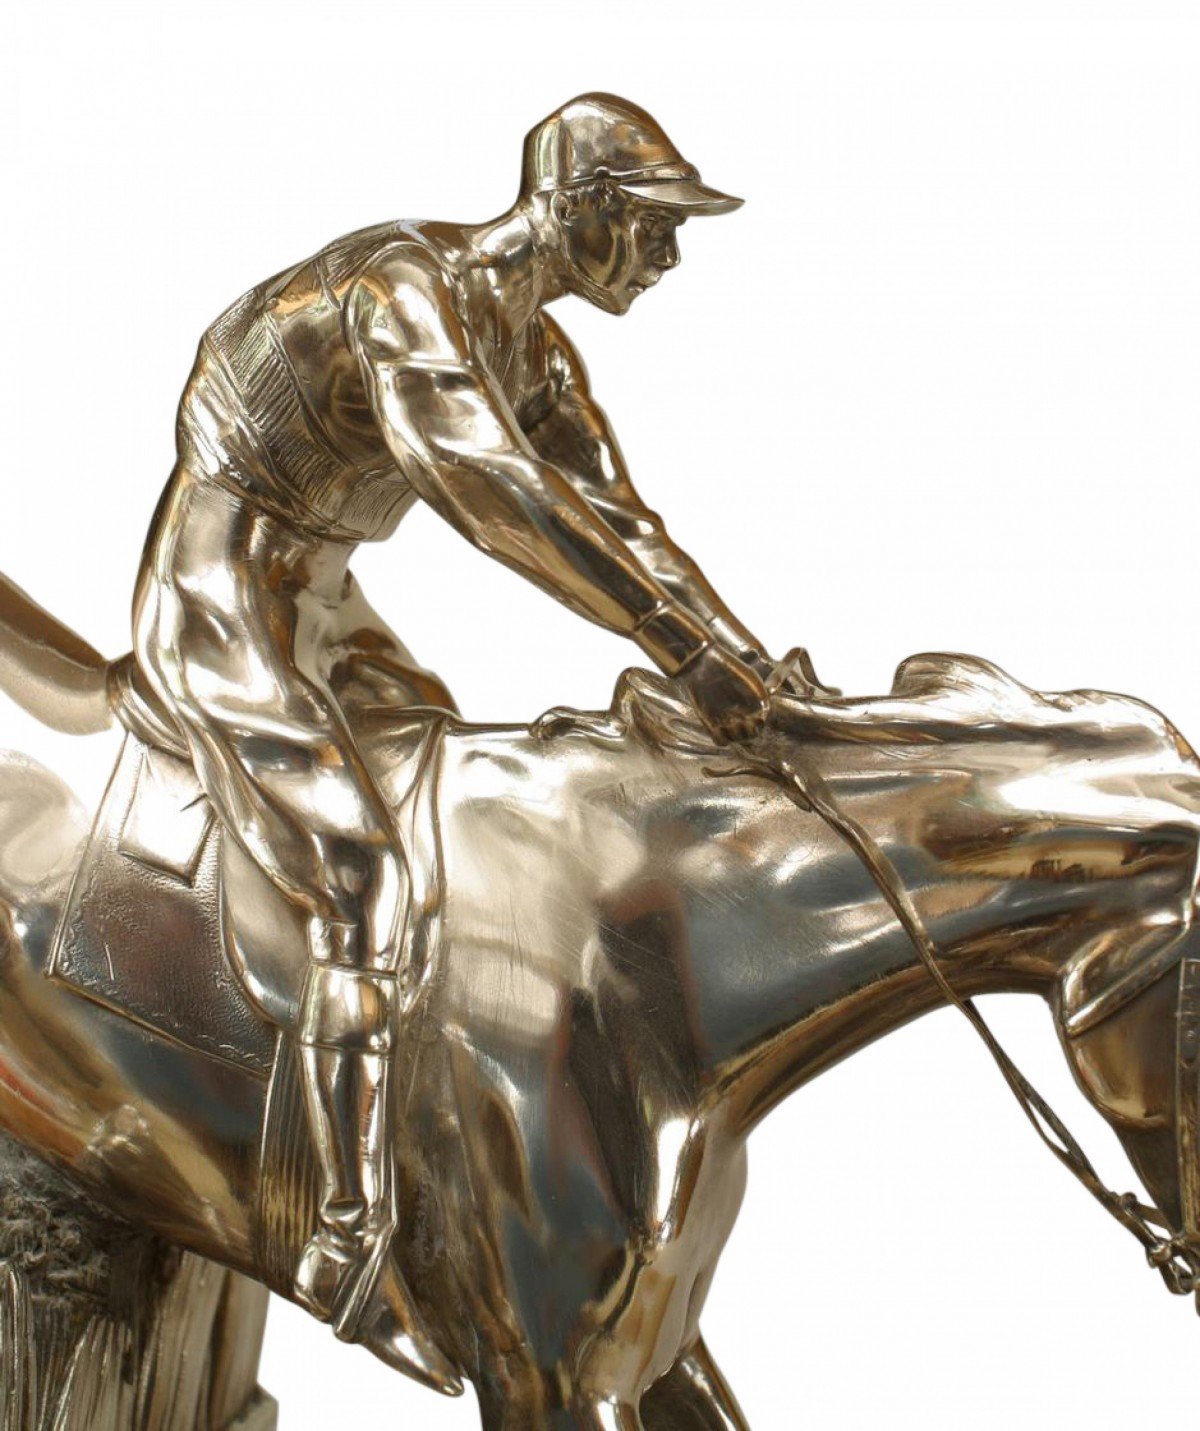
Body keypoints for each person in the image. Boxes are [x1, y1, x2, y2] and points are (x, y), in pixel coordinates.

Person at [132, 92, 773, 1391]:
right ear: (578, 206)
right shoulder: (403, 295)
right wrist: (686, 650)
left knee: (456, 805)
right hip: (220, 593)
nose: (667, 256)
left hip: (322, 602)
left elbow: (622, 520)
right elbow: (497, 496)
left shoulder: (536, 352)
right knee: (361, 871)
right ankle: (349, 1235)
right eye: (653, 226)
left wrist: (744, 668)